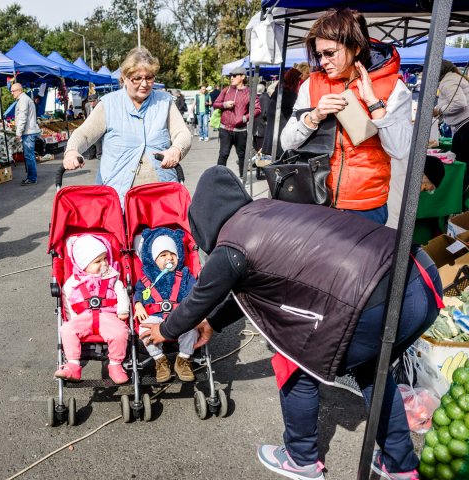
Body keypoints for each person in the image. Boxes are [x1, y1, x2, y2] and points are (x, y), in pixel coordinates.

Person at [141, 165, 442, 480]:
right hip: (419, 277)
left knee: (296, 363)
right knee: (372, 371)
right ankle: (400, 462)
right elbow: (248, 289)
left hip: (377, 297)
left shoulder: (231, 245)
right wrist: (213, 324)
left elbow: (199, 299)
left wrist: (165, 329)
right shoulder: (267, 210)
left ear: (203, 221)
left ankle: (301, 459)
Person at [280, 8, 412, 225]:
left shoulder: (393, 87)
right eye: (319, 54)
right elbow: (286, 142)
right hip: (316, 197)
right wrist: (314, 116)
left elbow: (399, 150)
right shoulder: (311, 85)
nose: (322, 61)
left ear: (356, 47)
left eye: (330, 53)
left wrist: (374, 103)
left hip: (366, 205)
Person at [62, 47, 192, 206]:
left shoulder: (164, 101)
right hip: (118, 199)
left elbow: (182, 133)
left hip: (161, 199)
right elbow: (83, 134)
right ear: (124, 77)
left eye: (149, 77)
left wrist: (176, 150)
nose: (144, 84)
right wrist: (72, 151)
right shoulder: (109, 104)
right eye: (137, 78)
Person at [55, 234, 130, 384]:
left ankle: (115, 364)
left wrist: (123, 310)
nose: (104, 264)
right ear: (83, 264)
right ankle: (73, 365)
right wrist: (72, 318)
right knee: (66, 330)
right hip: (82, 317)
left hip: (108, 316)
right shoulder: (73, 282)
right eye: (98, 261)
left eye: (105, 259)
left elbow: (121, 291)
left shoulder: (111, 277)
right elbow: (66, 298)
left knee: (121, 332)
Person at [134, 227, 198, 383]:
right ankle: (159, 360)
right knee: (144, 329)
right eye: (163, 255)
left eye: (173, 254)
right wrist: (138, 305)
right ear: (153, 259)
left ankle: (183, 359)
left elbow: (195, 293)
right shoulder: (147, 277)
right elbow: (138, 293)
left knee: (192, 327)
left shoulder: (185, 275)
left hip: (179, 315)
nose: (169, 258)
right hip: (155, 317)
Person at [213, 67, 261, 179]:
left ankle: (242, 180)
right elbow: (216, 103)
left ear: (243, 77)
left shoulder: (250, 92)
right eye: (231, 76)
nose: (231, 78)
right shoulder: (226, 90)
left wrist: (245, 118)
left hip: (241, 130)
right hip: (225, 129)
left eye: (234, 76)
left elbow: (257, 109)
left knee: (242, 156)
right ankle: (219, 179)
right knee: (223, 154)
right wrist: (224, 104)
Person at [434, 59, 469, 188]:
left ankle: (461, 199)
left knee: (462, 166)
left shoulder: (448, 81)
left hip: (466, 128)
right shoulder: (453, 78)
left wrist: (439, 110)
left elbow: (459, 103)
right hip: (464, 127)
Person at [262, 67, 301, 158]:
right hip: (280, 137)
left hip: (271, 136)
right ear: (295, 81)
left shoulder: (278, 92)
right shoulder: (290, 95)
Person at [11, 83, 41, 186]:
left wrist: (18, 133)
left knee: (29, 156)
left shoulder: (23, 100)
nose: (11, 93)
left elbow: (23, 117)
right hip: (28, 131)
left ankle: (32, 178)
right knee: (29, 155)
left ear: (19, 90)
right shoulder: (24, 99)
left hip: (28, 132)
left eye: (13, 91)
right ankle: (31, 177)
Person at [253, 83, 271, 152]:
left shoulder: (260, 98)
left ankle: (259, 161)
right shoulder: (263, 98)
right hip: (259, 127)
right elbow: (265, 113)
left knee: (259, 148)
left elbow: (265, 113)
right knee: (259, 148)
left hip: (259, 127)